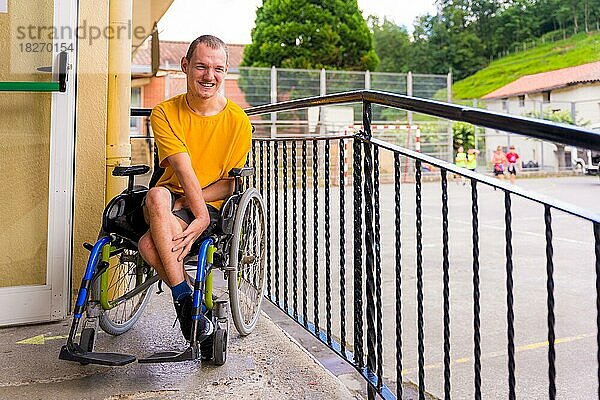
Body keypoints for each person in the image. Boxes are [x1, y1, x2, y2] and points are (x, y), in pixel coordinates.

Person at [137, 35, 252, 343]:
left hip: (211, 207)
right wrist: (193, 211)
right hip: (171, 201)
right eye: (201, 66)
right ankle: (188, 302)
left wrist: (198, 209)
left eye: (217, 69)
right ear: (186, 66)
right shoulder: (163, 112)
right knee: (157, 194)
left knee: (149, 246)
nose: (209, 76)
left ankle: (183, 299)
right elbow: (183, 168)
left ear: (225, 71)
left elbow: (231, 182)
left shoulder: (238, 121)